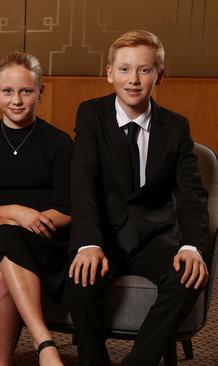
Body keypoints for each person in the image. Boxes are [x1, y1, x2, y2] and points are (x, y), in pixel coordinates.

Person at [65, 29, 209, 366]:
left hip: (154, 237)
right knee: (79, 283)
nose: (134, 79)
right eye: (125, 69)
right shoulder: (91, 116)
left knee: (188, 279)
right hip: (105, 236)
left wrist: (192, 247)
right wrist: (87, 243)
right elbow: (82, 181)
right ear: (109, 73)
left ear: (160, 75)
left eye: (144, 70)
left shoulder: (176, 127)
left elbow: (192, 194)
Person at [0, 51, 71, 366]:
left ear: (40, 92)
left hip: (45, 237)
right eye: (8, 91)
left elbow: (67, 210)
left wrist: (27, 222)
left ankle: (20, 354)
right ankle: (43, 344)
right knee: (2, 243)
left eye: (26, 91)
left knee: (6, 247)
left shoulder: (58, 143)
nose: (16, 100)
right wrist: (13, 212)